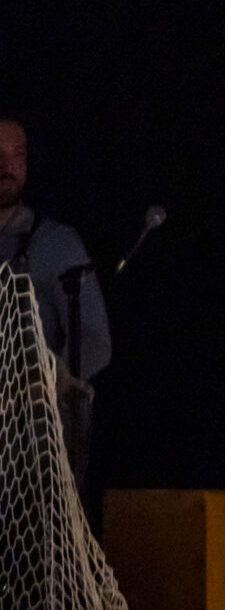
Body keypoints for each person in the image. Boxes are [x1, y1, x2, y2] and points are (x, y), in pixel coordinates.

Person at [0, 117, 111, 536]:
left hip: (31, 442)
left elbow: (95, 342)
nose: (7, 166)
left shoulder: (54, 243)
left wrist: (43, 382)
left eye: (17, 155)